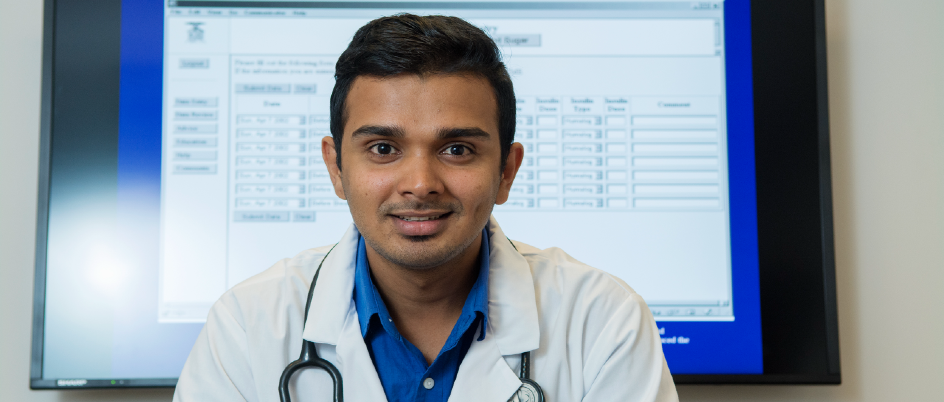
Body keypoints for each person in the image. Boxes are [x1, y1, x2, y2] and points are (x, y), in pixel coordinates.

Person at [173, 14, 677, 402]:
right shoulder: (247, 325)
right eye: (383, 149)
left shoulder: (602, 320)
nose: (420, 184)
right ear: (336, 168)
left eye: (457, 149)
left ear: (506, 170)